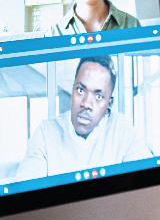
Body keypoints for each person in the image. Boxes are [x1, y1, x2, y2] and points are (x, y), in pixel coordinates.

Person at [15, 56, 152, 181]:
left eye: (98, 96)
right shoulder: (46, 132)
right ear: (72, 90)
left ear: (109, 105)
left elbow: (147, 183)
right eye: (80, 90)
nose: (86, 104)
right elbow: (25, 192)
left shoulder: (121, 129)